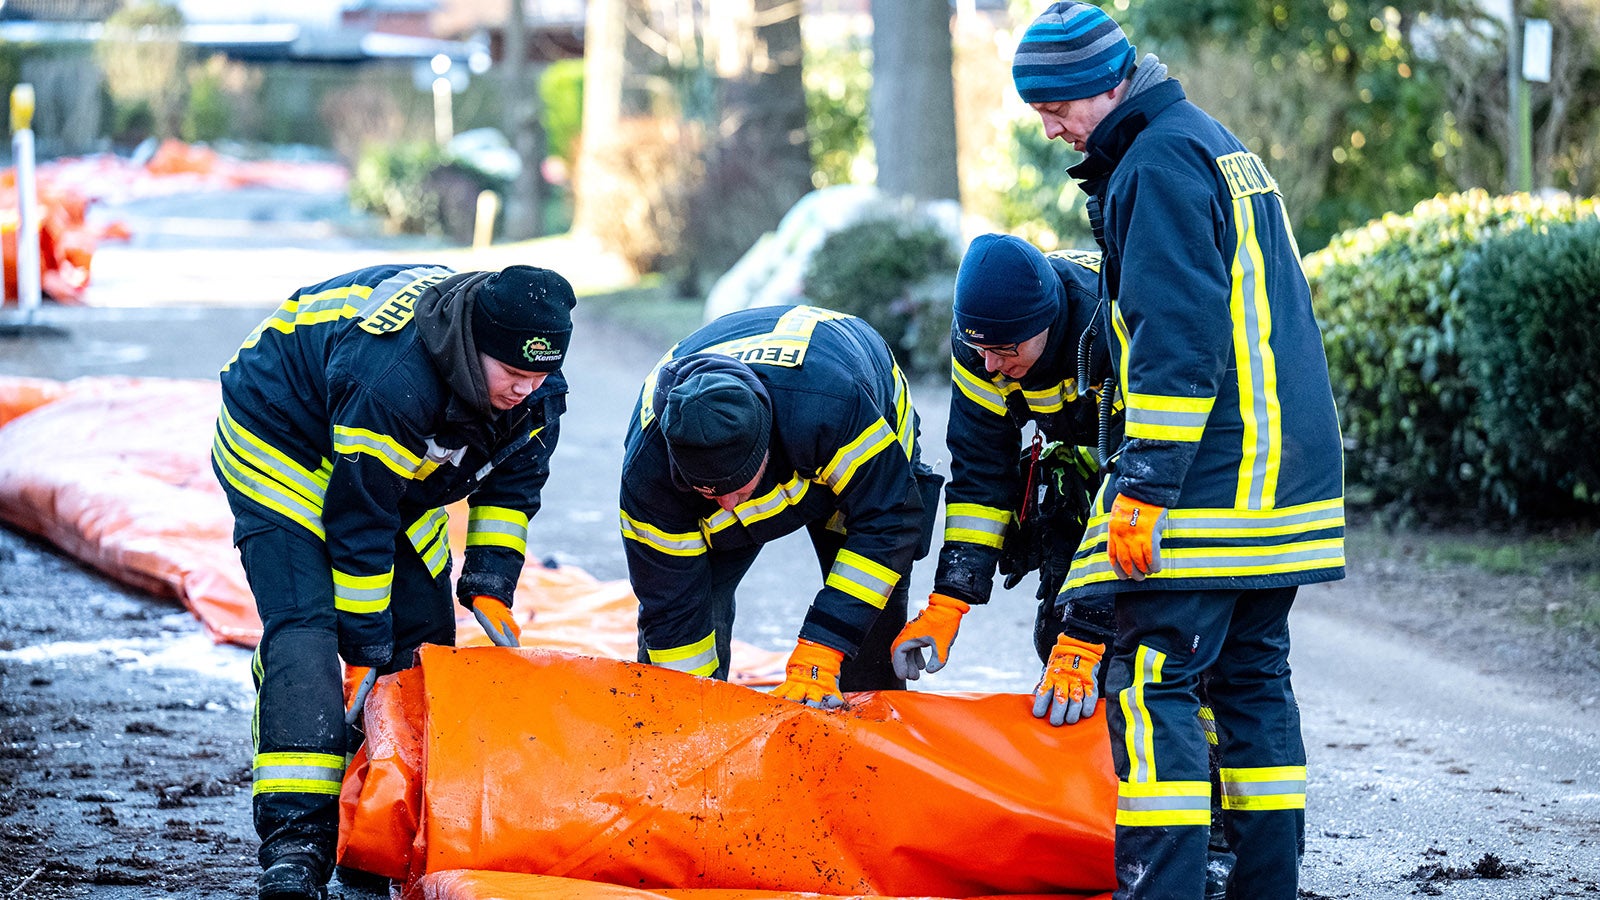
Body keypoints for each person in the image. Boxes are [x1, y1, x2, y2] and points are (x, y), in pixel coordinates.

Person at [1012, 3, 1348, 899]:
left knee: (1153, 680)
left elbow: (1174, 338)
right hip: (1285, 482)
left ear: (1105, 82)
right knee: (1251, 683)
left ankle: (1161, 891)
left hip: (1214, 479)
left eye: (1056, 107)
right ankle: (1267, 886)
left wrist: (1145, 488)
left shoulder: (1156, 165)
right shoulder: (1210, 142)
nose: (1048, 127)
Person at [211, 263, 575, 900]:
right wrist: (363, 643)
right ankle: (297, 846)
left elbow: (513, 488)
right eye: (513, 376)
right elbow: (359, 522)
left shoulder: (537, 389)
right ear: (472, 347)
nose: (526, 390)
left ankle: (381, 836)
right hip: (281, 441)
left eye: (538, 375)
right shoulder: (392, 375)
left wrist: (490, 582)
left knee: (424, 648)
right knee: (309, 636)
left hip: (392, 472)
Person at [620, 304, 941, 707]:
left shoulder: (830, 408)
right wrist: (688, 710)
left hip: (846, 419)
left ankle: (872, 749)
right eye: (707, 492)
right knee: (685, 646)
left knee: (866, 639)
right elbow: (671, 606)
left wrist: (823, 648)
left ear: (765, 454)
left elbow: (888, 522)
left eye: (737, 488)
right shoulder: (649, 472)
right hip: (782, 436)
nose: (727, 504)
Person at [889, 233, 1117, 731]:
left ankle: (1196, 774)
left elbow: (1139, 482)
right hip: (1082, 467)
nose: (991, 365)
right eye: (979, 348)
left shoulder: (1115, 321)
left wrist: (1087, 634)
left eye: (1003, 350)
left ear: (1047, 323)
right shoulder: (983, 348)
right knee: (1056, 630)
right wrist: (949, 601)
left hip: (1163, 481)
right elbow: (981, 475)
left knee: (1142, 644)